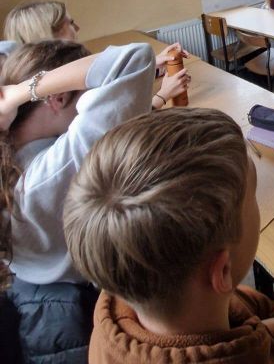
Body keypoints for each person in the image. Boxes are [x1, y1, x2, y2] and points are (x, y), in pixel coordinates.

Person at [63, 107, 274, 363]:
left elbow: (238, 301)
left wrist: (268, 325)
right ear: (221, 272)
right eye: (254, 197)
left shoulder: (123, 298)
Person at [0, 40, 159, 362]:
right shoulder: (54, 169)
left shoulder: (12, 163)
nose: (90, 103)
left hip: (36, 299)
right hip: (72, 311)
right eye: (87, 94)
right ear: (57, 97)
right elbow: (133, 58)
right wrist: (17, 93)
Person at [3, 0, 190, 105]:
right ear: (52, 33)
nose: (77, 28)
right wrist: (163, 95)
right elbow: (116, 129)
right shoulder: (56, 96)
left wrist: (151, 65)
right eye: (70, 23)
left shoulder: (37, 78)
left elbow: (108, 85)